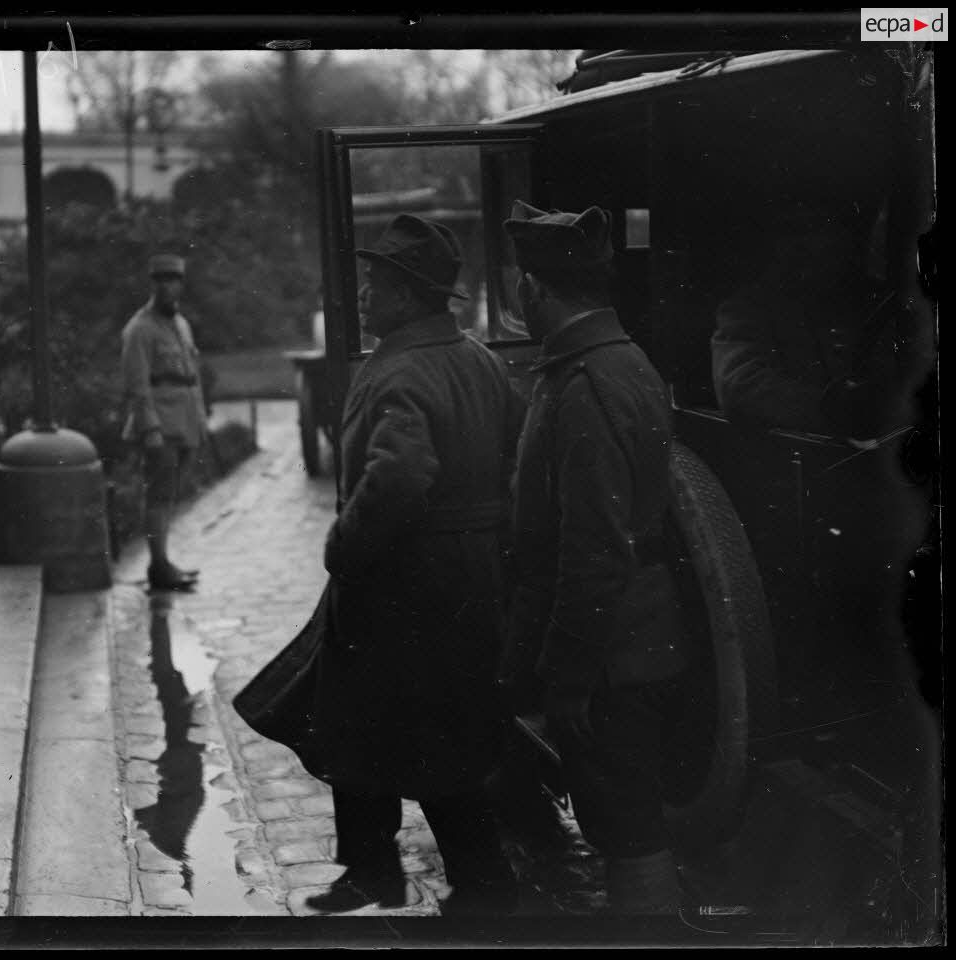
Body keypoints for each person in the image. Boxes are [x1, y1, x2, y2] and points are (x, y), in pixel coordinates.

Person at [236, 215, 523, 916]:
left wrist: (345, 545)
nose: (362, 298)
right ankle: (376, 868)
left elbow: (399, 476)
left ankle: (478, 884)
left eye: (375, 285)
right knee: (379, 715)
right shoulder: (479, 359)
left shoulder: (399, 369)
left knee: (409, 725)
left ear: (408, 294)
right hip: (468, 574)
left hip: (403, 579)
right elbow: (517, 452)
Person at [498, 202, 686, 914]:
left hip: (612, 654)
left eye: (520, 284)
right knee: (625, 817)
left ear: (535, 289)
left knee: (625, 828)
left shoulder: (584, 385)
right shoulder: (619, 361)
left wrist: (571, 678)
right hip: (632, 638)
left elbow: (595, 554)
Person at [711, 198, 930, 440]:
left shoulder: (881, 302)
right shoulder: (749, 308)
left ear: (843, 238)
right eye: (788, 231)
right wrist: (832, 408)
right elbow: (739, 387)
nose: (799, 244)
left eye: (815, 228)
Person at [120, 254, 208, 592]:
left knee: (169, 496)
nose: (168, 287)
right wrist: (150, 429)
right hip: (161, 425)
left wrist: (200, 419)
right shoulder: (140, 329)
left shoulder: (181, 324)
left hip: (184, 421)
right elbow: (137, 385)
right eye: (162, 281)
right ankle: (159, 567)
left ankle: (163, 561)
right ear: (153, 284)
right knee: (158, 496)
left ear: (181, 284)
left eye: (174, 280)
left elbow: (192, 376)